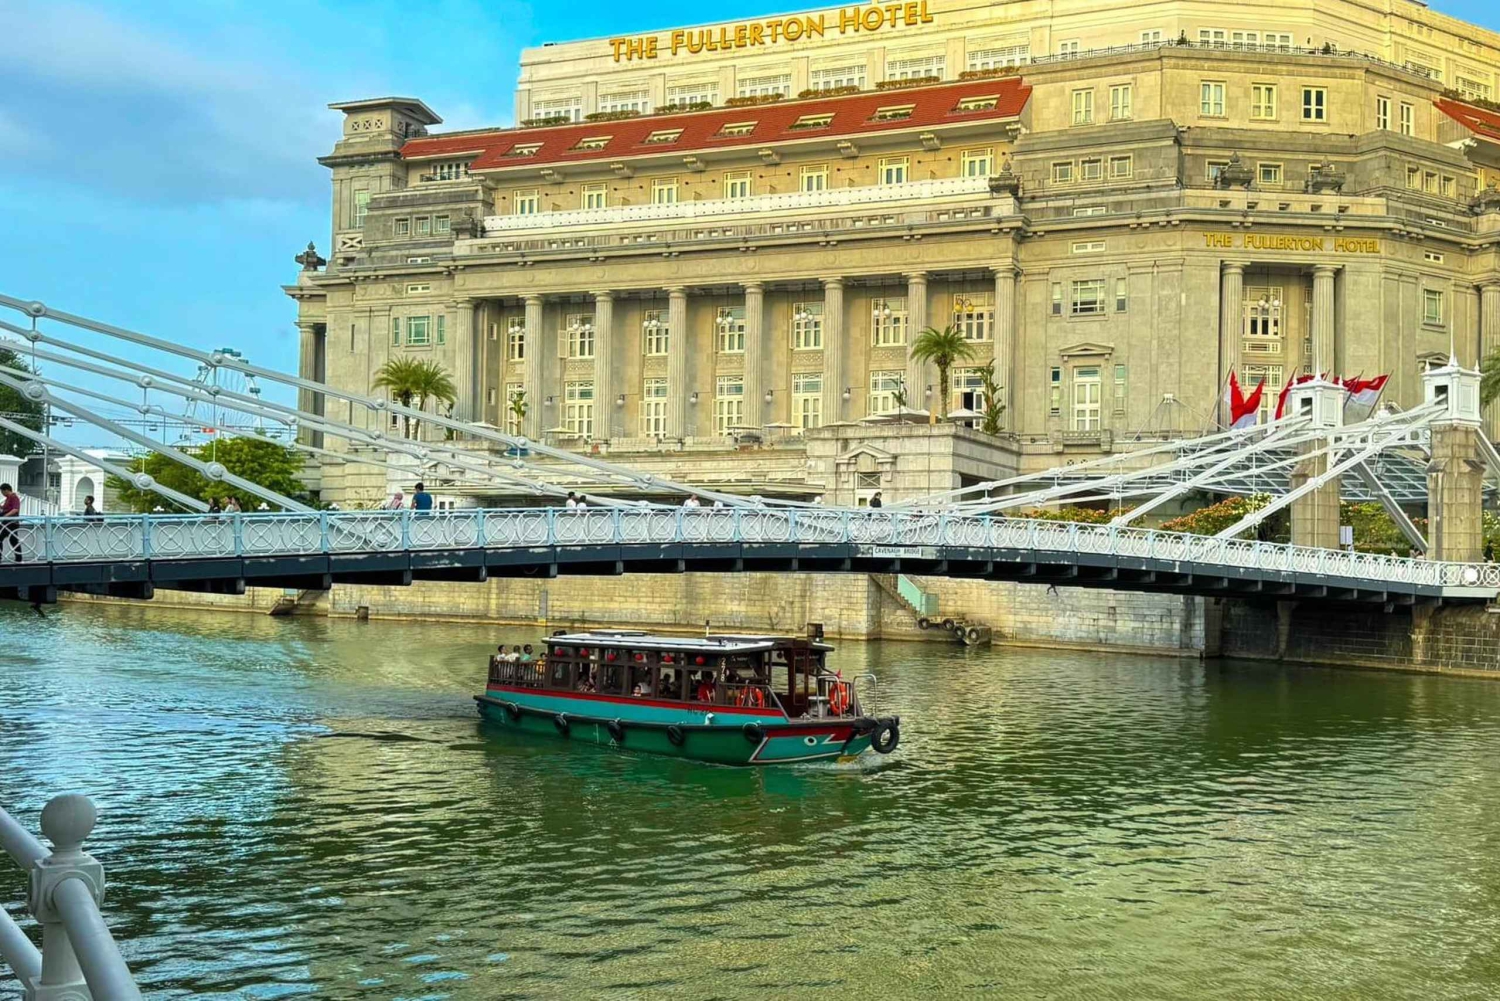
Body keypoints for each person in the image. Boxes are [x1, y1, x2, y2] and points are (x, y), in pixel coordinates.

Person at [0, 483, 21, 562]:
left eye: (2, 491)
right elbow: (5, 509)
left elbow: (15, 509)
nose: (2, 493)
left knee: (14, 541)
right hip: (7, 523)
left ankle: (18, 559)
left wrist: (5, 516)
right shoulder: (8, 498)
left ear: (6, 490)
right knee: (13, 541)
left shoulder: (14, 497)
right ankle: (19, 559)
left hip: (11, 523)